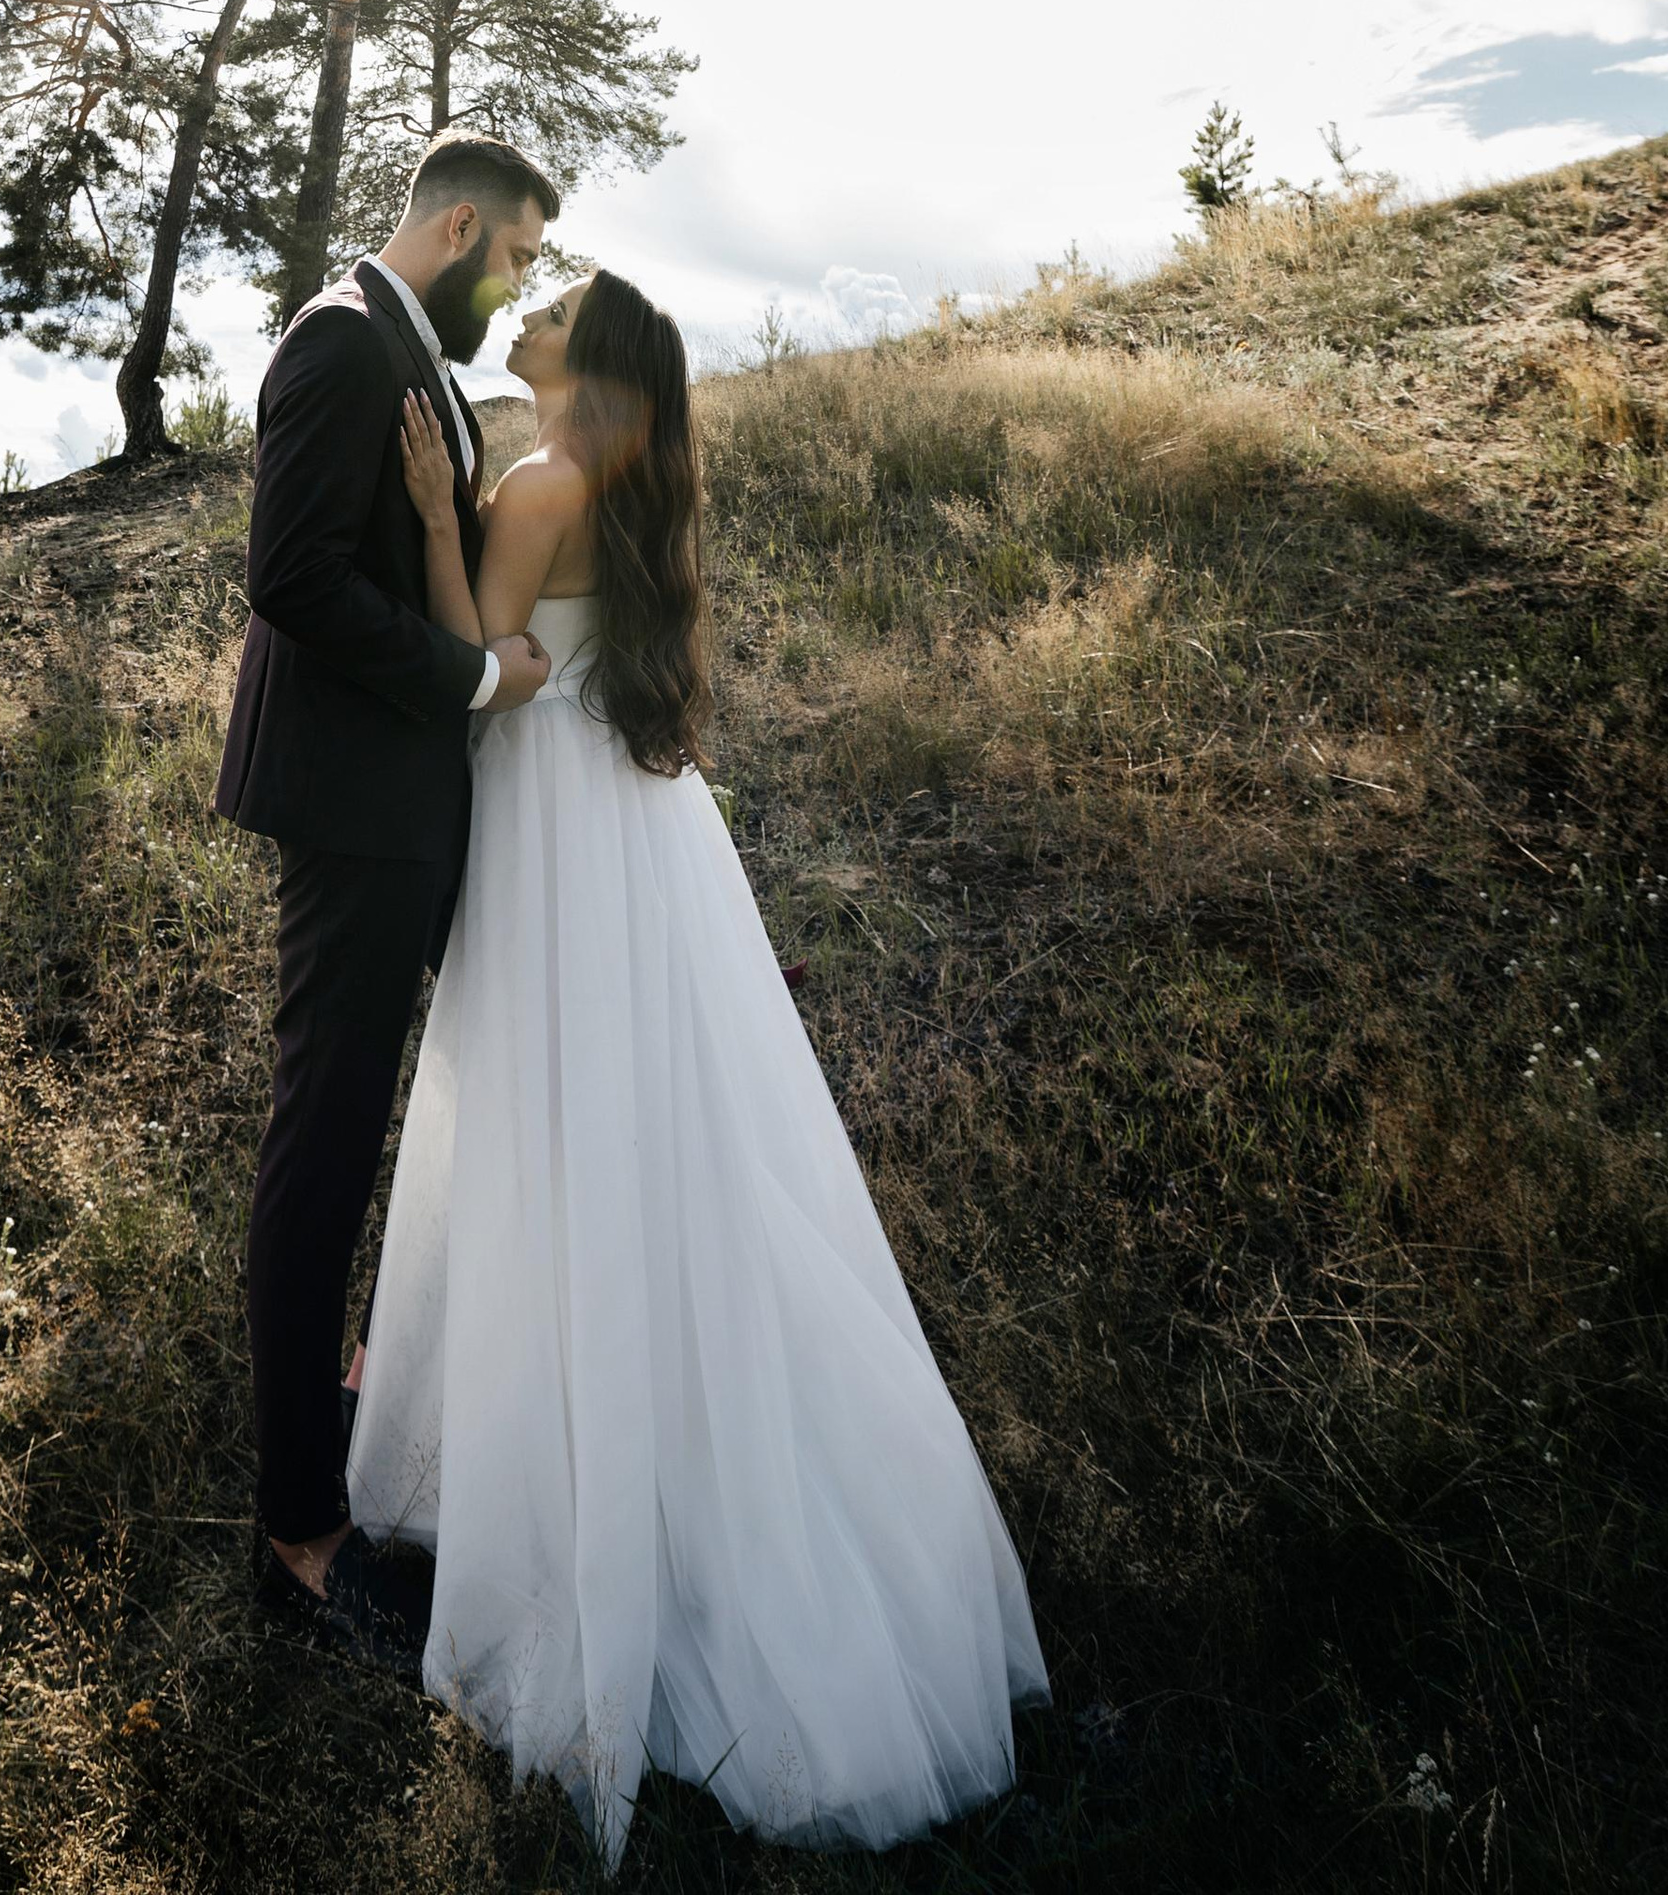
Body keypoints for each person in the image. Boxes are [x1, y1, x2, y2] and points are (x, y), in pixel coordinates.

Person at [349, 266, 1049, 1864]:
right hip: (647, 841)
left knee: (553, 1130)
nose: (530, 310)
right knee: (664, 1137)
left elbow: (479, 665)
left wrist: (437, 529)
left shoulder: (533, 486)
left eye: (556, 307)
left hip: (549, 843)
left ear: (580, 363)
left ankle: (575, 1484)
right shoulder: (634, 492)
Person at [213, 131, 560, 1665]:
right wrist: (473, 674)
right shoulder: (348, 343)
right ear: (466, 227)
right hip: (356, 819)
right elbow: (287, 576)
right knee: (323, 1140)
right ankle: (300, 1528)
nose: (524, 285)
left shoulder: (404, 352)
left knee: (355, 1135)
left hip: (398, 814)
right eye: (524, 257)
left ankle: (343, 1416)